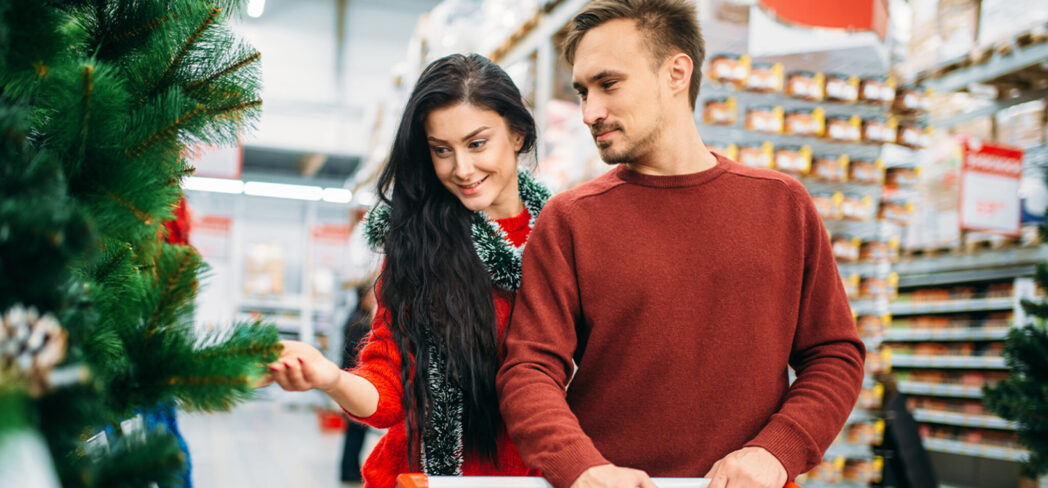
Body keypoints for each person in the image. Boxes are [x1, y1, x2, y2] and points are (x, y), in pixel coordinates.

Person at [495, 2, 866, 488]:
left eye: (609, 84)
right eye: (583, 92)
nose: (590, 112)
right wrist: (580, 465)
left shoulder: (782, 205)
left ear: (676, 73)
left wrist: (776, 452)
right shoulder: (570, 220)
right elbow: (529, 368)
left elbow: (834, 353)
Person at [264, 53, 549, 488]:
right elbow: (388, 388)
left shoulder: (563, 237)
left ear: (518, 133)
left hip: (540, 475)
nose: (462, 169)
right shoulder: (420, 244)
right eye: (441, 151)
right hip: (424, 477)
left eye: (476, 143)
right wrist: (331, 378)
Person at [339, 286, 377, 484]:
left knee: (355, 431)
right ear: (362, 297)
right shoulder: (358, 322)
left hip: (352, 380)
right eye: (371, 296)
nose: (373, 299)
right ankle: (349, 471)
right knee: (355, 430)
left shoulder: (355, 317)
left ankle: (351, 469)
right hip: (355, 381)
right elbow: (358, 355)